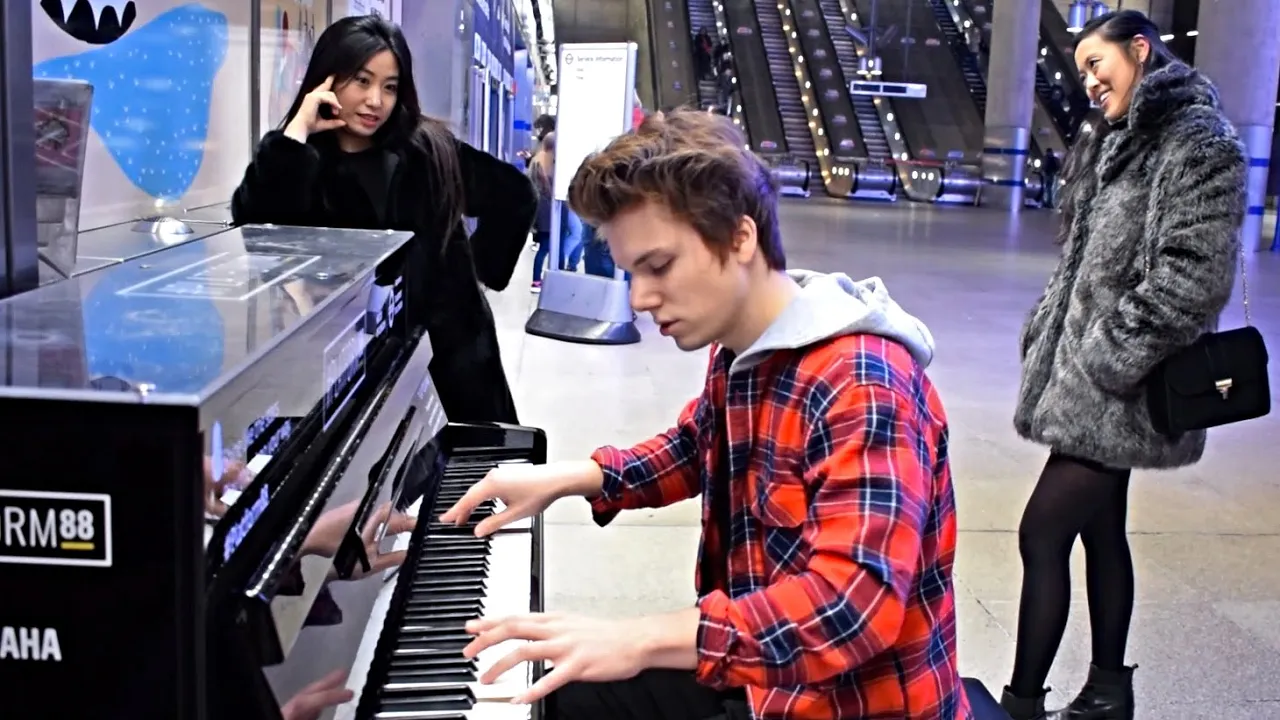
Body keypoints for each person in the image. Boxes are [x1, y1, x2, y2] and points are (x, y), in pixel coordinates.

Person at [440, 109, 970, 720]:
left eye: (658, 266)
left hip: (851, 704)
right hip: (765, 683)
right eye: (631, 271)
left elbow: (848, 609)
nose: (639, 298)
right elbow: (699, 444)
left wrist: (641, 638)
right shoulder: (744, 343)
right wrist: (569, 478)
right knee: (555, 696)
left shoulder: (862, 383)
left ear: (739, 237)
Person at [1003, 11, 1246, 720]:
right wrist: (1052, 327)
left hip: (1123, 384)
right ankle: (1109, 689)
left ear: (1139, 50)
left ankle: (1021, 705)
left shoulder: (1195, 139)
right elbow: (1082, 259)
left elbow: (1195, 274)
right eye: (1079, 69)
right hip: (1092, 376)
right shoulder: (1120, 138)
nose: (1087, 80)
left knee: (1041, 532)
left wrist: (1109, 355)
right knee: (1100, 530)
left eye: (1095, 62)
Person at [231, 15, 535, 425]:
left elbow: (516, 196)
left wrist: (469, 280)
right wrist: (297, 129)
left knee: (468, 477)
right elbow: (256, 230)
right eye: (361, 80)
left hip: (450, 362)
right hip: (351, 365)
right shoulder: (304, 163)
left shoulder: (426, 148)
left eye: (389, 87)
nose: (376, 100)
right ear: (328, 79)